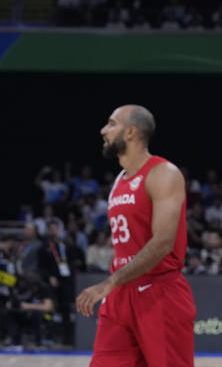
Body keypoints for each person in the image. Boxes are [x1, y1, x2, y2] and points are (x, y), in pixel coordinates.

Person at [76, 105, 196, 367]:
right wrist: (115, 285)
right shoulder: (119, 181)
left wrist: (109, 283)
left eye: (110, 124)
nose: (103, 130)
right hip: (121, 297)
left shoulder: (163, 173)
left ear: (130, 132)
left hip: (159, 293)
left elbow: (163, 242)